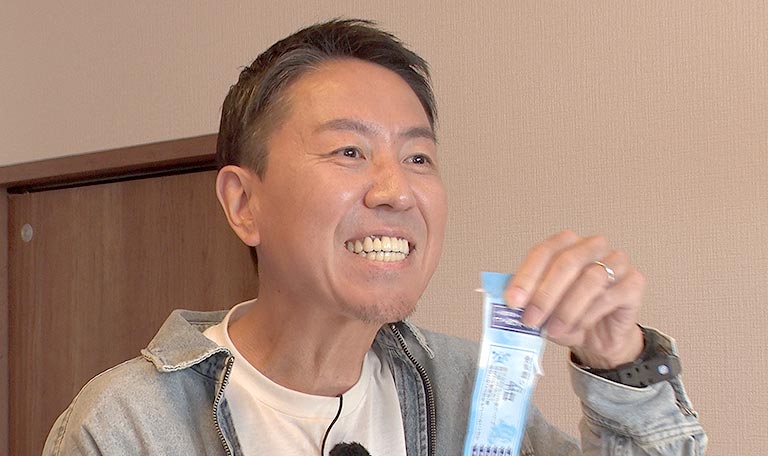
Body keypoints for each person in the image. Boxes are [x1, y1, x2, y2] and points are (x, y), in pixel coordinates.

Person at [43, 19, 707, 455]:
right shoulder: (130, 423)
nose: (397, 191)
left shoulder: (468, 391)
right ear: (244, 204)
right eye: (349, 152)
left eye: (418, 157)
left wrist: (620, 361)